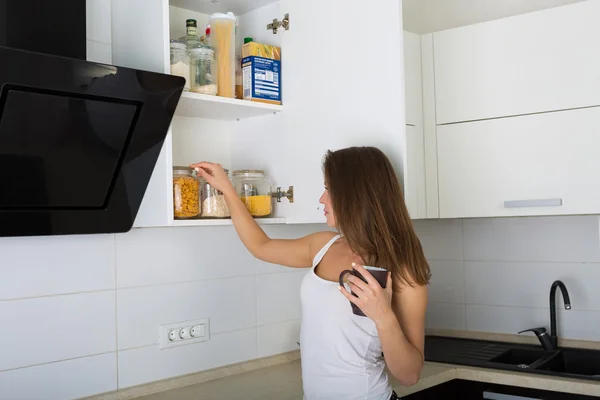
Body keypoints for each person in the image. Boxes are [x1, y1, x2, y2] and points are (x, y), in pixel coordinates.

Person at [191, 146, 431, 400]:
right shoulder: (323, 246)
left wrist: (384, 317)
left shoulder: (404, 272)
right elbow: (260, 246)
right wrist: (227, 188)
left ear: (354, 195)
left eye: (328, 189)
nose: (321, 199)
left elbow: (409, 375)